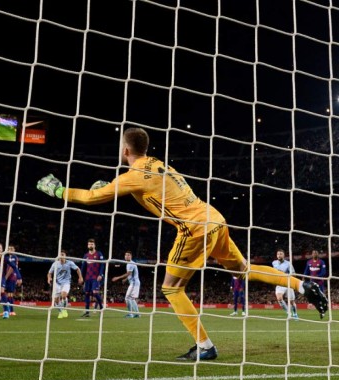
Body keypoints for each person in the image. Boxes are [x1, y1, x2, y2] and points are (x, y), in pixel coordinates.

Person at [37, 126, 328, 361]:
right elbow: (141, 189)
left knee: (171, 288)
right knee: (243, 269)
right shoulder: (160, 165)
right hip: (215, 218)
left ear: (125, 150)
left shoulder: (133, 175)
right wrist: (109, 187)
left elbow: (91, 198)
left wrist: (58, 189)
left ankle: (205, 346)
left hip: (193, 229)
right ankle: (301, 285)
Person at [47, 250, 83, 318]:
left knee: (63, 295)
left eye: (62, 254)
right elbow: (49, 273)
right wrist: (49, 278)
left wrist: (80, 277)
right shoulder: (55, 264)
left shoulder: (69, 263)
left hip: (66, 282)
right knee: (56, 301)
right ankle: (60, 312)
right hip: (57, 283)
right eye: (60, 255)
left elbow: (77, 269)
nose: (61, 256)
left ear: (65, 256)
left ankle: (64, 310)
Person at [80, 238, 105, 317]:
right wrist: (81, 277)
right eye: (89, 244)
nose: (90, 245)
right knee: (87, 293)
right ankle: (87, 312)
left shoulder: (99, 254)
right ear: (87, 246)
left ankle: (101, 307)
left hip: (96, 277)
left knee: (94, 292)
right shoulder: (86, 256)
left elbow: (102, 265)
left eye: (92, 244)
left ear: (94, 245)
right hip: (87, 278)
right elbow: (83, 267)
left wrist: (100, 274)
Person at [111, 250, 140, 318]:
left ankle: (130, 314)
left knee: (127, 298)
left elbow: (128, 273)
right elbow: (131, 274)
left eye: (128, 255)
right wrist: (126, 279)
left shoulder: (130, 264)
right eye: (126, 255)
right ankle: (137, 314)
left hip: (134, 283)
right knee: (132, 299)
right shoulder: (129, 263)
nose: (127, 256)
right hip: (134, 282)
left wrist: (118, 277)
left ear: (131, 256)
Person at [272, 249, 298, 319]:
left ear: (284, 255)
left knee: (291, 301)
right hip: (279, 284)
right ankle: (288, 313)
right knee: (279, 298)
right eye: (278, 254)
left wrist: (292, 280)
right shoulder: (274, 263)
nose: (279, 255)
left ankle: (295, 313)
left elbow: (293, 274)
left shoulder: (288, 264)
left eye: (280, 254)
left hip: (288, 283)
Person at [5, 245, 23, 316]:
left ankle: (12, 311)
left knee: (10, 294)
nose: (10, 250)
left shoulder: (14, 257)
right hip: (6, 276)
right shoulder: (6, 257)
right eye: (9, 249)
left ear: (14, 250)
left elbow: (13, 267)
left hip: (12, 277)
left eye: (11, 249)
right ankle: (7, 310)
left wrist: (19, 277)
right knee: (5, 294)